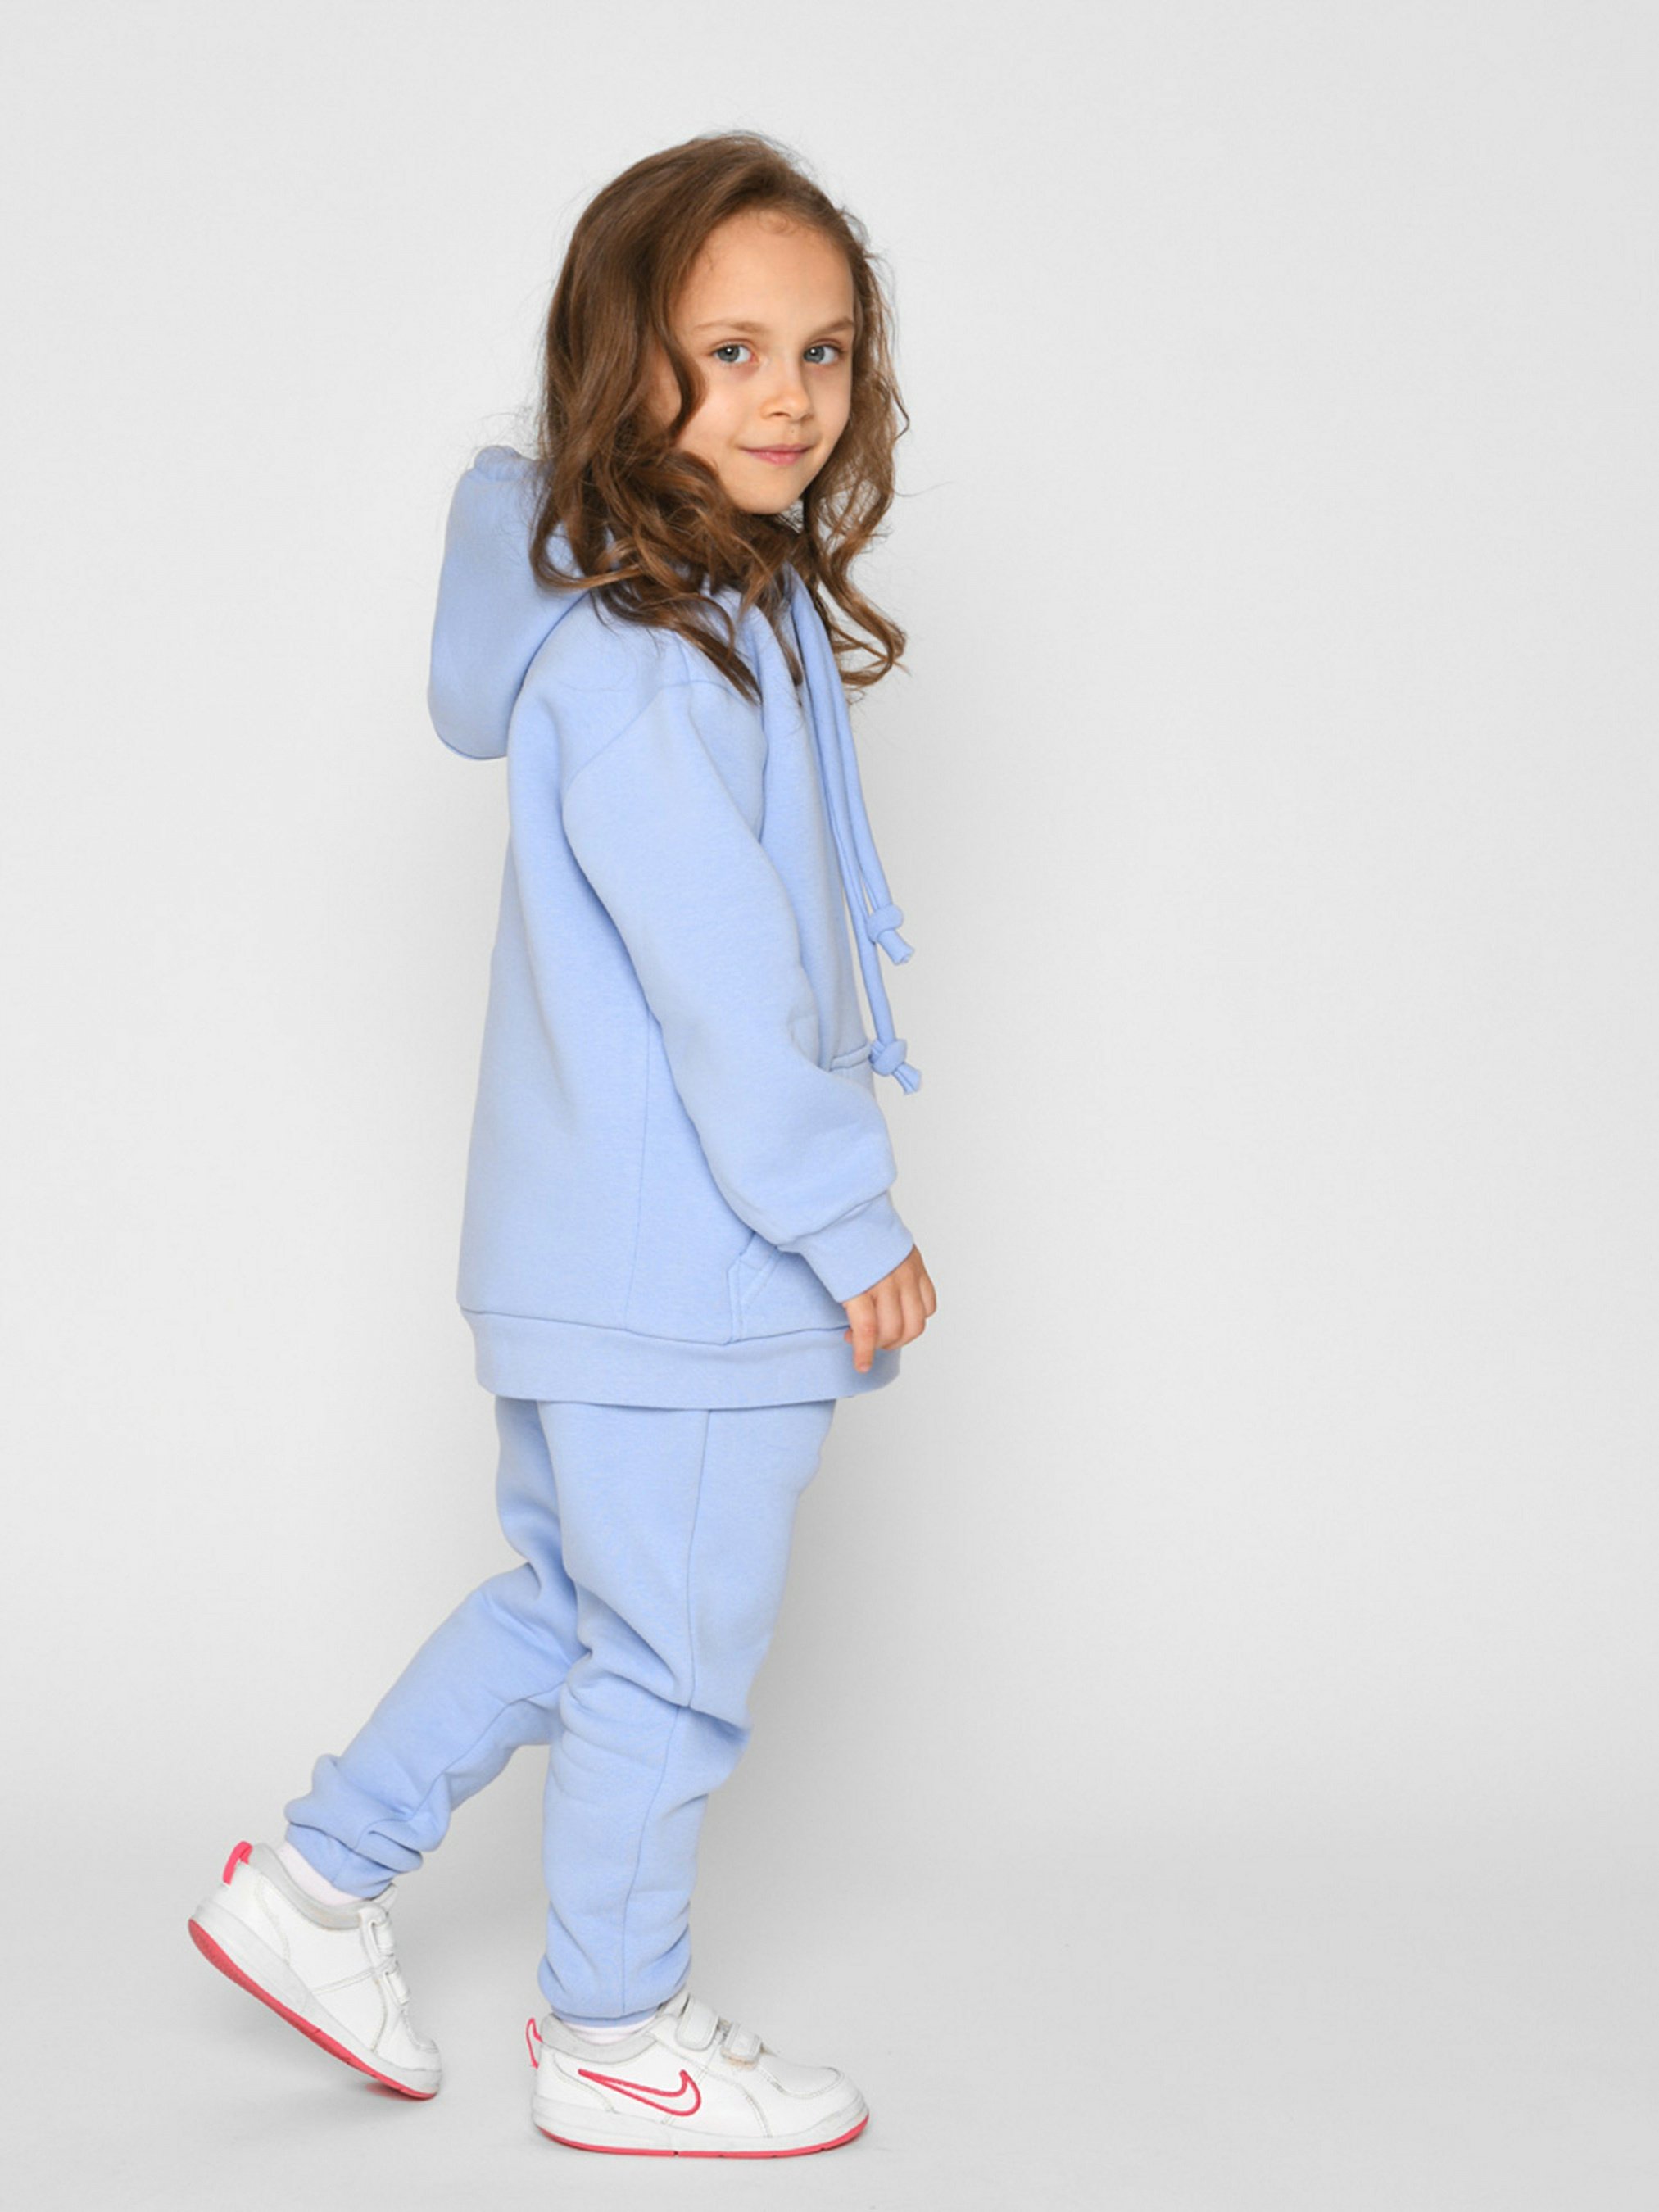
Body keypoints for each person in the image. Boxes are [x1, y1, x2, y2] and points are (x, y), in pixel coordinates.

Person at [187, 129, 936, 2160]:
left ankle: (313, 1887)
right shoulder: (643, 659)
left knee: (573, 1607)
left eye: (823, 350)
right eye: (731, 351)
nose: (789, 396)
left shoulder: (693, 612)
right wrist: (847, 1213)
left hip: (593, 1252)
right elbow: (723, 986)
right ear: (624, 361)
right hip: (684, 1263)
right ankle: (613, 2034)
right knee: (667, 1667)